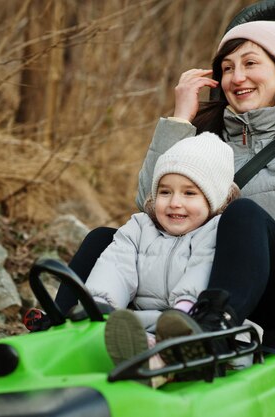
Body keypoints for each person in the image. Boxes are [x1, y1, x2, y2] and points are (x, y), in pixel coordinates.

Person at [56, 20, 275, 348]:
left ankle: (208, 335)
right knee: (105, 239)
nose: (237, 77)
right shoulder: (207, 137)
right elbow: (150, 205)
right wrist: (179, 121)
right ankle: (60, 329)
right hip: (200, 280)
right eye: (227, 68)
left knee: (243, 213)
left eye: (250, 63)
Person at [81, 132, 243, 378]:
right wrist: (102, 305)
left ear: (213, 199)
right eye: (165, 192)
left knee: (193, 336)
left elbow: (203, 269)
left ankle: (167, 361)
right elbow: (115, 265)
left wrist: (184, 309)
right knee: (124, 329)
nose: (174, 202)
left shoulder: (215, 231)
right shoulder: (139, 227)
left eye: (189, 194)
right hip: (145, 324)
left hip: (192, 323)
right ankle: (144, 357)